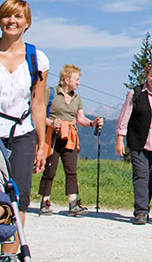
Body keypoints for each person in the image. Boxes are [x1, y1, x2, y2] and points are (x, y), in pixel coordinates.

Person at [0, 0, 48, 227]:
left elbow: (38, 104)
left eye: (18, 17)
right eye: (7, 16)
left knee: (18, 198)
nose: (12, 21)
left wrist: (42, 143)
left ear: (27, 23)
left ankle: (10, 256)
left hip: (22, 134)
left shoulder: (37, 59)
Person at [38, 64, 103, 216]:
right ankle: (45, 201)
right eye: (76, 79)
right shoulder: (51, 93)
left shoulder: (76, 97)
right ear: (66, 80)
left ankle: (73, 203)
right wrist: (50, 123)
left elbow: (80, 119)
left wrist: (93, 123)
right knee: (50, 169)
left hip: (70, 136)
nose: (78, 82)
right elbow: (39, 114)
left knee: (71, 169)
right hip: (53, 135)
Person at [115, 60, 152, 225]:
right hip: (138, 141)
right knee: (141, 175)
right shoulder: (135, 93)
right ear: (146, 76)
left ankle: (144, 206)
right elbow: (124, 116)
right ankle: (141, 211)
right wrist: (120, 138)